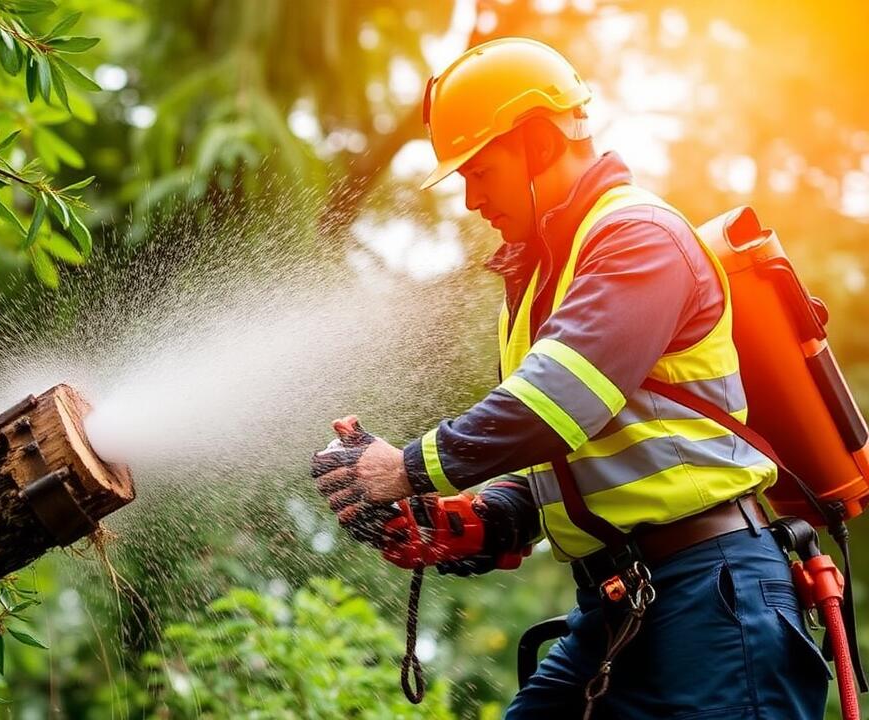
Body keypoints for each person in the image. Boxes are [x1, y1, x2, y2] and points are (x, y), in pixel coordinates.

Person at [311, 37, 829, 718]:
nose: (471, 200)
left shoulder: (638, 237)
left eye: (480, 171)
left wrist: (404, 467)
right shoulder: (541, 279)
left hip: (713, 597)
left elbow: (553, 408)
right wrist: (486, 518)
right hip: (622, 605)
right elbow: (572, 453)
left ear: (539, 144)